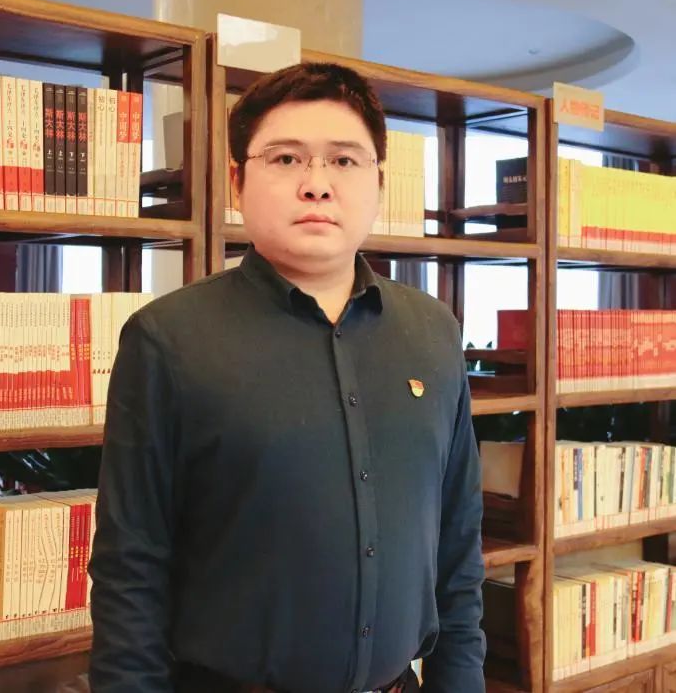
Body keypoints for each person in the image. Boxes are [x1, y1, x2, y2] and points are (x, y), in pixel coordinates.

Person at [88, 62, 486, 693]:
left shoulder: (434, 332)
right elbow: (129, 570)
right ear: (237, 181)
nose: (317, 185)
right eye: (286, 159)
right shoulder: (168, 341)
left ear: (379, 183)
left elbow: (457, 543)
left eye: (344, 161)